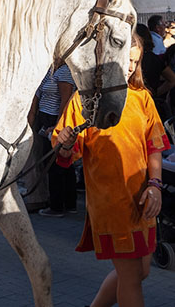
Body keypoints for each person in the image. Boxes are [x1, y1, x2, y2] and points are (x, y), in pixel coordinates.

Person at [53, 35, 170, 307]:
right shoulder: (84, 99)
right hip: (110, 203)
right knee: (130, 277)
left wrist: (155, 185)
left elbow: (154, 147)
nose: (129, 67)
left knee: (140, 272)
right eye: (124, 60)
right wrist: (66, 143)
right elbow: (64, 154)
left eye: (135, 61)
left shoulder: (143, 98)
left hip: (142, 200)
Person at [25, 64, 76, 217]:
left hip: (54, 118)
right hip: (45, 116)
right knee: (54, 161)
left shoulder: (65, 71)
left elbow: (65, 101)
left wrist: (57, 125)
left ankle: (57, 205)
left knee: (55, 163)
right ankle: (66, 202)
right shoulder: (51, 69)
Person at [135, 23, 175, 121]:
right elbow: (172, 79)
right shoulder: (154, 58)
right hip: (152, 104)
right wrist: (155, 93)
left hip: (138, 106)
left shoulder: (134, 58)